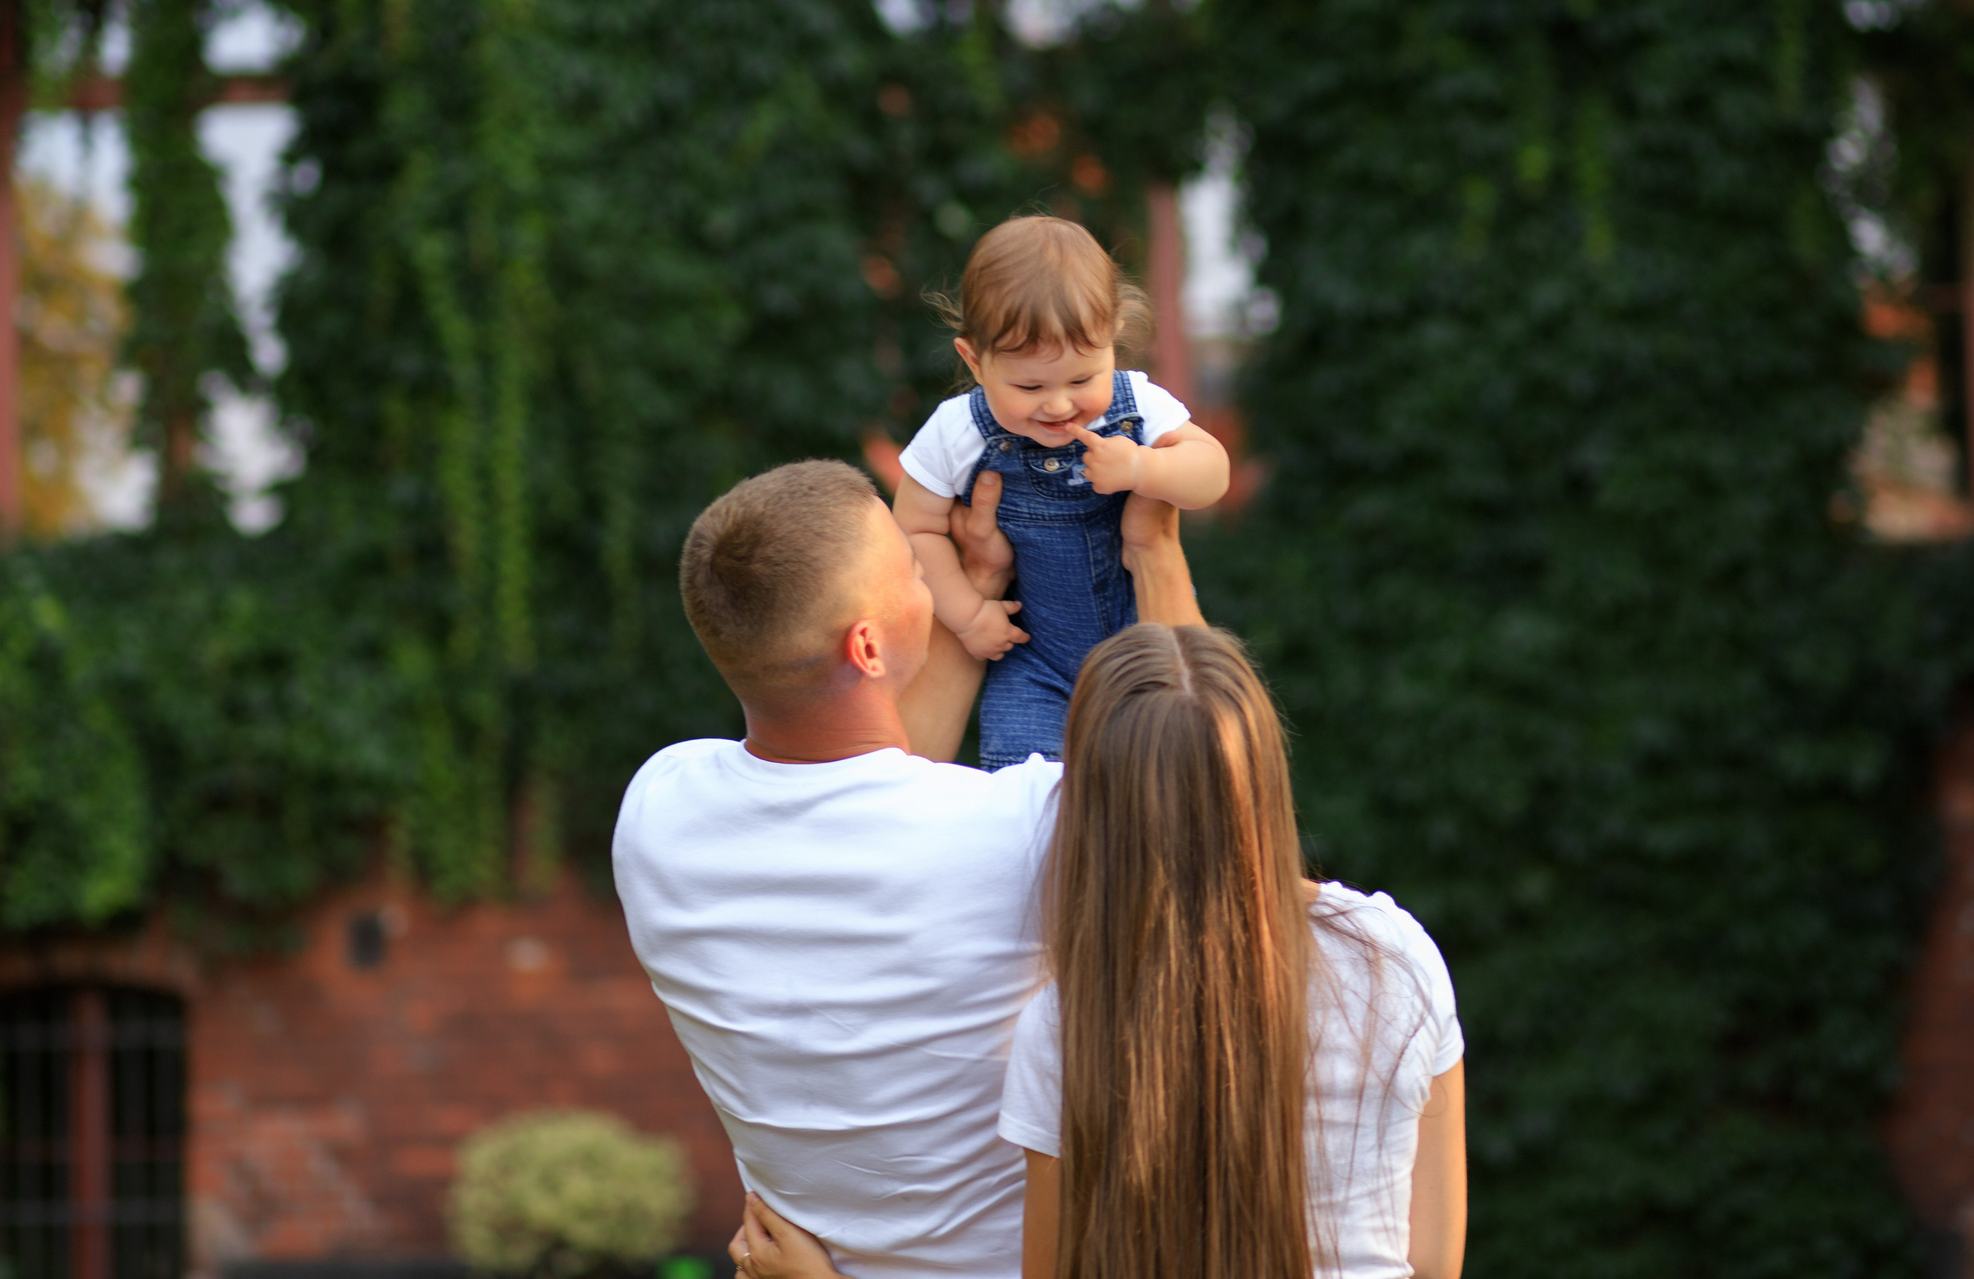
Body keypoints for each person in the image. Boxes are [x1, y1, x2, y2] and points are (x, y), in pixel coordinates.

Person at [612, 455, 1201, 1279]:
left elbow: (871, 787)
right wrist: (1156, 550)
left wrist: (974, 592)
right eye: (909, 565)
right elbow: (1201, 767)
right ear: (865, 642)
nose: (929, 573)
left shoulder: (656, 809)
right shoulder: (1023, 830)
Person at [729, 626, 1468, 1279]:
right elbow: (1433, 1262)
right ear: (1266, 778)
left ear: (1089, 800)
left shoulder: (1074, 1025)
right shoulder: (1392, 957)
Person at [895, 216, 1229, 768]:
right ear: (974, 361)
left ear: (1113, 338)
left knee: (1156, 776)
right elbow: (914, 527)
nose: (1057, 405)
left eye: (1081, 380)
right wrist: (968, 615)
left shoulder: (1137, 407)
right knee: (1024, 790)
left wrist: (1145, 468)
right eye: (1029, 386)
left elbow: (1211, 472)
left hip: (1138, 647)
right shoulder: (958, 430)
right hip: (1034, 664)